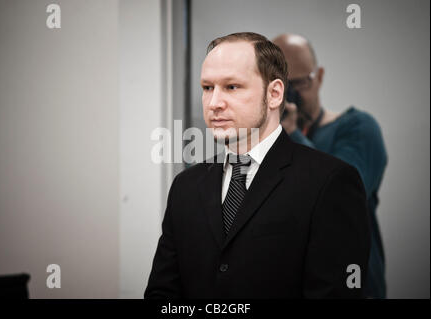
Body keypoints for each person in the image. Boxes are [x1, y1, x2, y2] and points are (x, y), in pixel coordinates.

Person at [145, 32, 370, 299]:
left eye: (232, 87)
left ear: (274, 94)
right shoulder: (186, 186)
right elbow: (163, 294)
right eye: (207, 87)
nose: (214, 103)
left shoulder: (330, 182)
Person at [273, 33, 388, 299]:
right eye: (280, 85)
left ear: (319, 76)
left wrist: (292, 134)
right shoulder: (268, 144)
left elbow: (344, 195)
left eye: (298, 83)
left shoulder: (357, 126)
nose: (290, 95)